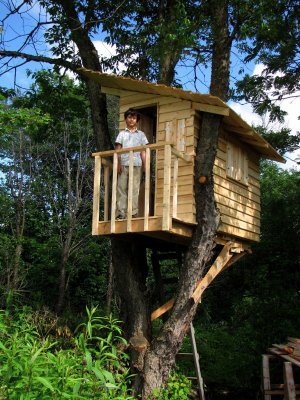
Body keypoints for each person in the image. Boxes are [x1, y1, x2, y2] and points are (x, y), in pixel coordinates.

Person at [115, 108, 148, 219]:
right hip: (124, 163)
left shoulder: (141, 135)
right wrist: (118, 164)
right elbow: (118, 150)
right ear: (126, 119)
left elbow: (143, 151)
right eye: (129, 117)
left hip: (137, 164)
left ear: (137, 120)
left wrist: (145, 166)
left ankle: (133, 212)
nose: (131, 120)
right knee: (121, 187)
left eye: (134, 118)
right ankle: (121, 212)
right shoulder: (122, 134)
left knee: (134, 189)